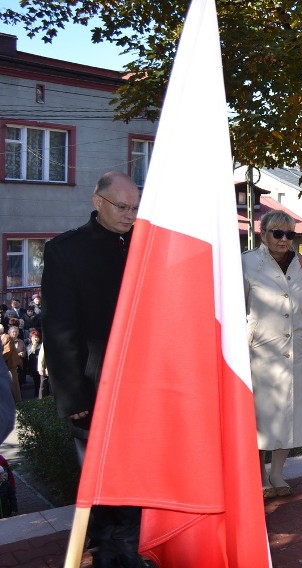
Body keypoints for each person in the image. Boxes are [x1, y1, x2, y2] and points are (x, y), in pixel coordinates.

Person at [41, 171, 152, 568]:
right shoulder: (65, 252)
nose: (129, 215)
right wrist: (73, 398)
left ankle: (130, 547)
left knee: (140, 474)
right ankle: (112, 554)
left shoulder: (145, 246)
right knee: (104, 480)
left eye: (136, 207)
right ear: (97, 201)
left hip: (144, 387)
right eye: (122, 206)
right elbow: (59, 332)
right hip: (94, 389)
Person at [242, 210, 302, 498]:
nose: (284, 240)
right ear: (263, 233)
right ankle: (258, 476)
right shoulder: (246, 264)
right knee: (260, 419)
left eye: (290, 234)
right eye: (277, 233)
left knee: (289, 417)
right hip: (259, 354)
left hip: (295, 353)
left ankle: (278, 473)